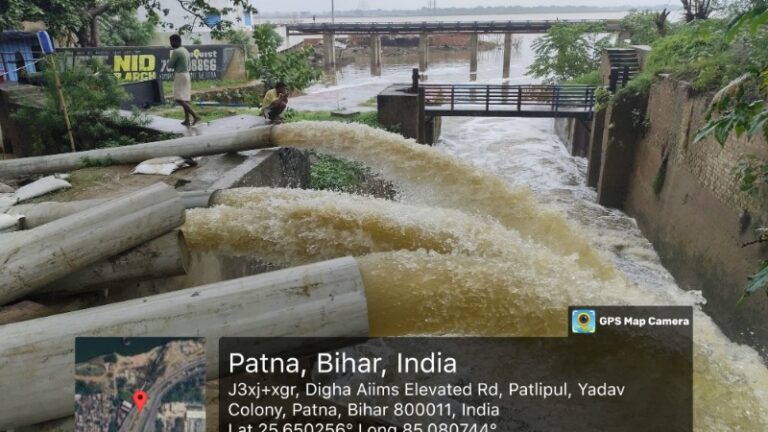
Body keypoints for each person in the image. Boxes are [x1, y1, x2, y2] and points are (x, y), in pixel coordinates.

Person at [167, 34, 201, 126]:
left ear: (175, 41)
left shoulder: (176, 51)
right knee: (185, 99)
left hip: (180, 75)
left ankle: (195, 116)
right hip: (186, 74)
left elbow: (169, 65)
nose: (170, 44)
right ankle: (187, 120)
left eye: (171, 42)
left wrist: (171, 62)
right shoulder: (185, 50)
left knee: (179, 99)